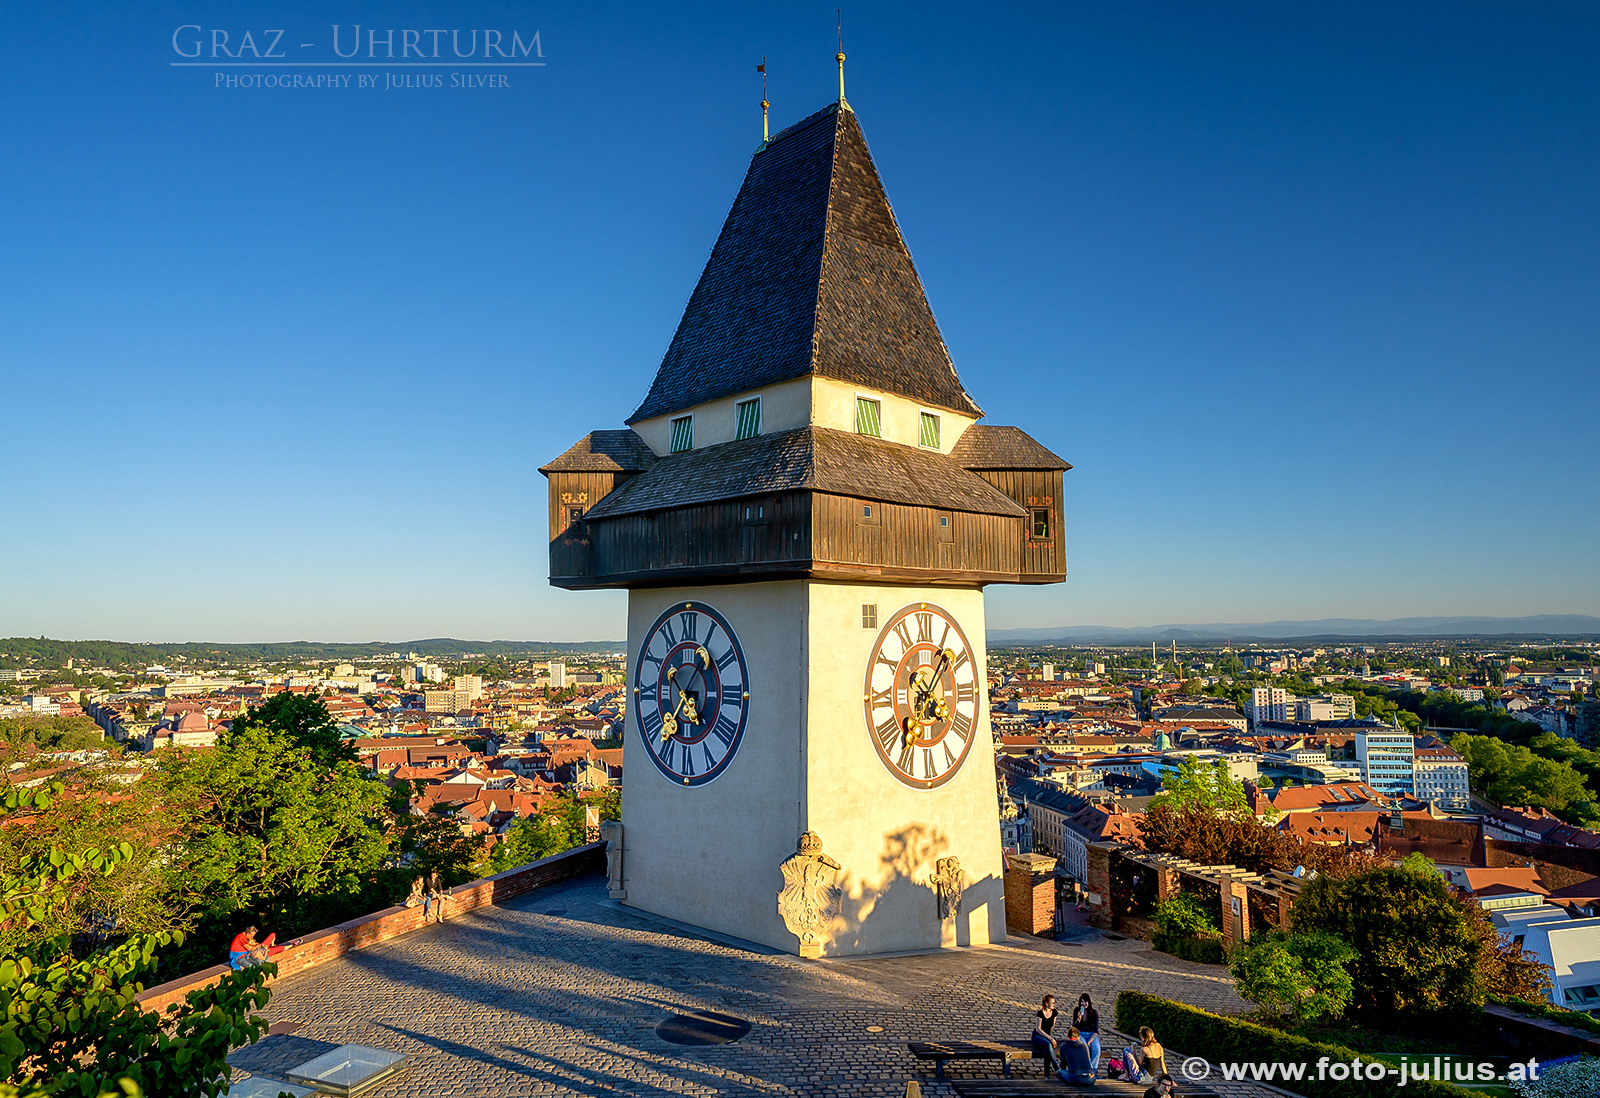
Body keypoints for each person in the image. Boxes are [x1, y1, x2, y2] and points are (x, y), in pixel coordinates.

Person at [1071, 992, 1101, 1072]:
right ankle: (1086, 1069)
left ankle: (1092, 1070)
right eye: (1082, 1002)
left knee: (1097, 1049)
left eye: (1086, 1001)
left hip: (1091, 1034)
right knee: (1085, 1049)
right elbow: (1074, 1028)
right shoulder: (1076, 1011)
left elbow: (1096, 1031)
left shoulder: (1094, 1013)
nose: (1084, 1004)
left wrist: (1090, 1041)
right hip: (1081, 1034)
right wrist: (1079, 1019)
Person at [1031, 994, 1061, 1072]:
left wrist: (1051, 1038)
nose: (1054, 1004)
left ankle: (1047, 1074)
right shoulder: (1040, 1013)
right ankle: (1056, 1067)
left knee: (1046, 1052)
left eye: (1054, 1002)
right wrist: (1050, 1039)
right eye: (1052, 1003)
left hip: (1047, 1037)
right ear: (1046, 1003)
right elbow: (1038, 1029)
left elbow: (1051, 1027)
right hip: (1037, 1037)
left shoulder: (1054, 1013)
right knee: (1048, 1044)